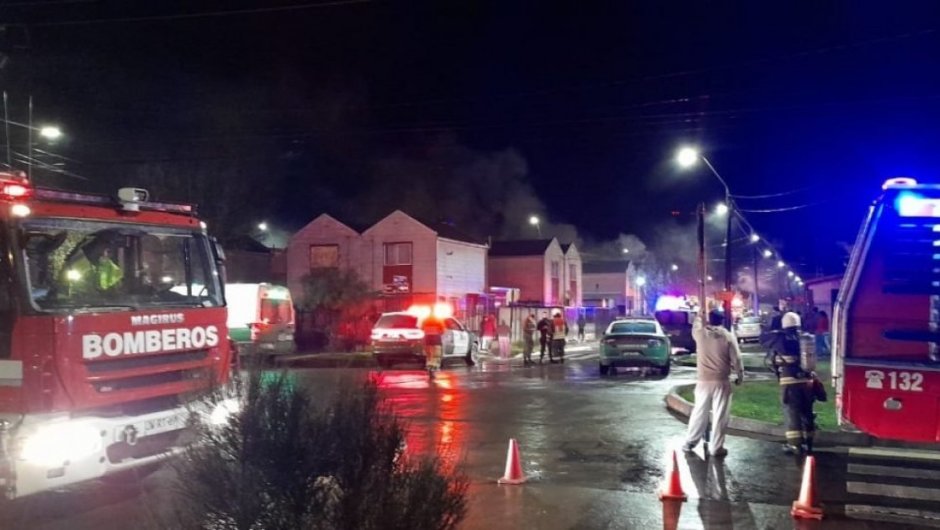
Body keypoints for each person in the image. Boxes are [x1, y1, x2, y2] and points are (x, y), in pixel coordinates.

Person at [683, 309, 744, 458]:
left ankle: (690, 441)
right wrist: (740, 374)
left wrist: (700, 315)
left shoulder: (700, 334)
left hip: (703, 381)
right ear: (723, 320)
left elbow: (696, 324)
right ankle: (716, 447)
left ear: (710, 320)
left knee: (699, 412)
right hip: (721, 381)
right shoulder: (727, 337)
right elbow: (737, 358)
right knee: (720, 415)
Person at [767, 311, 817, 454]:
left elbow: (770, 355)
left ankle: (795, 445)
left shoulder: (780, 339)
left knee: (792, 412)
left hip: (789, 382)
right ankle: (809, 442)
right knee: (807, 412)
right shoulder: (805, 339)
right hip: (807, 381)